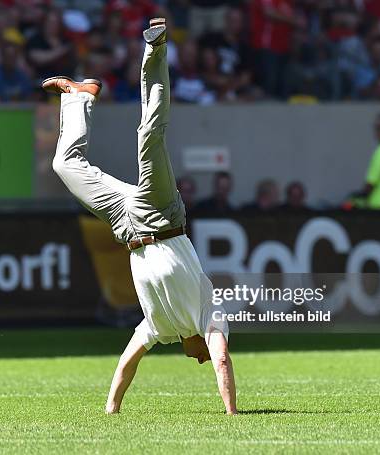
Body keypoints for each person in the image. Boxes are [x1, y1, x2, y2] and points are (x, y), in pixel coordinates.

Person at [41, 18, 237, 415]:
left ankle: (79, 98)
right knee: (149, 134)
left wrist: (112, 408)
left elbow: (127, 362)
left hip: (127, 225)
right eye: (201, 354)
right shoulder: (210, 315)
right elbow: (220, 359)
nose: (198, 358)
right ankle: (156, 48)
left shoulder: (161, 329)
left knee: (64, 165)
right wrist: (232, 414)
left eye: (196, 359)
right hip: (162, 215)